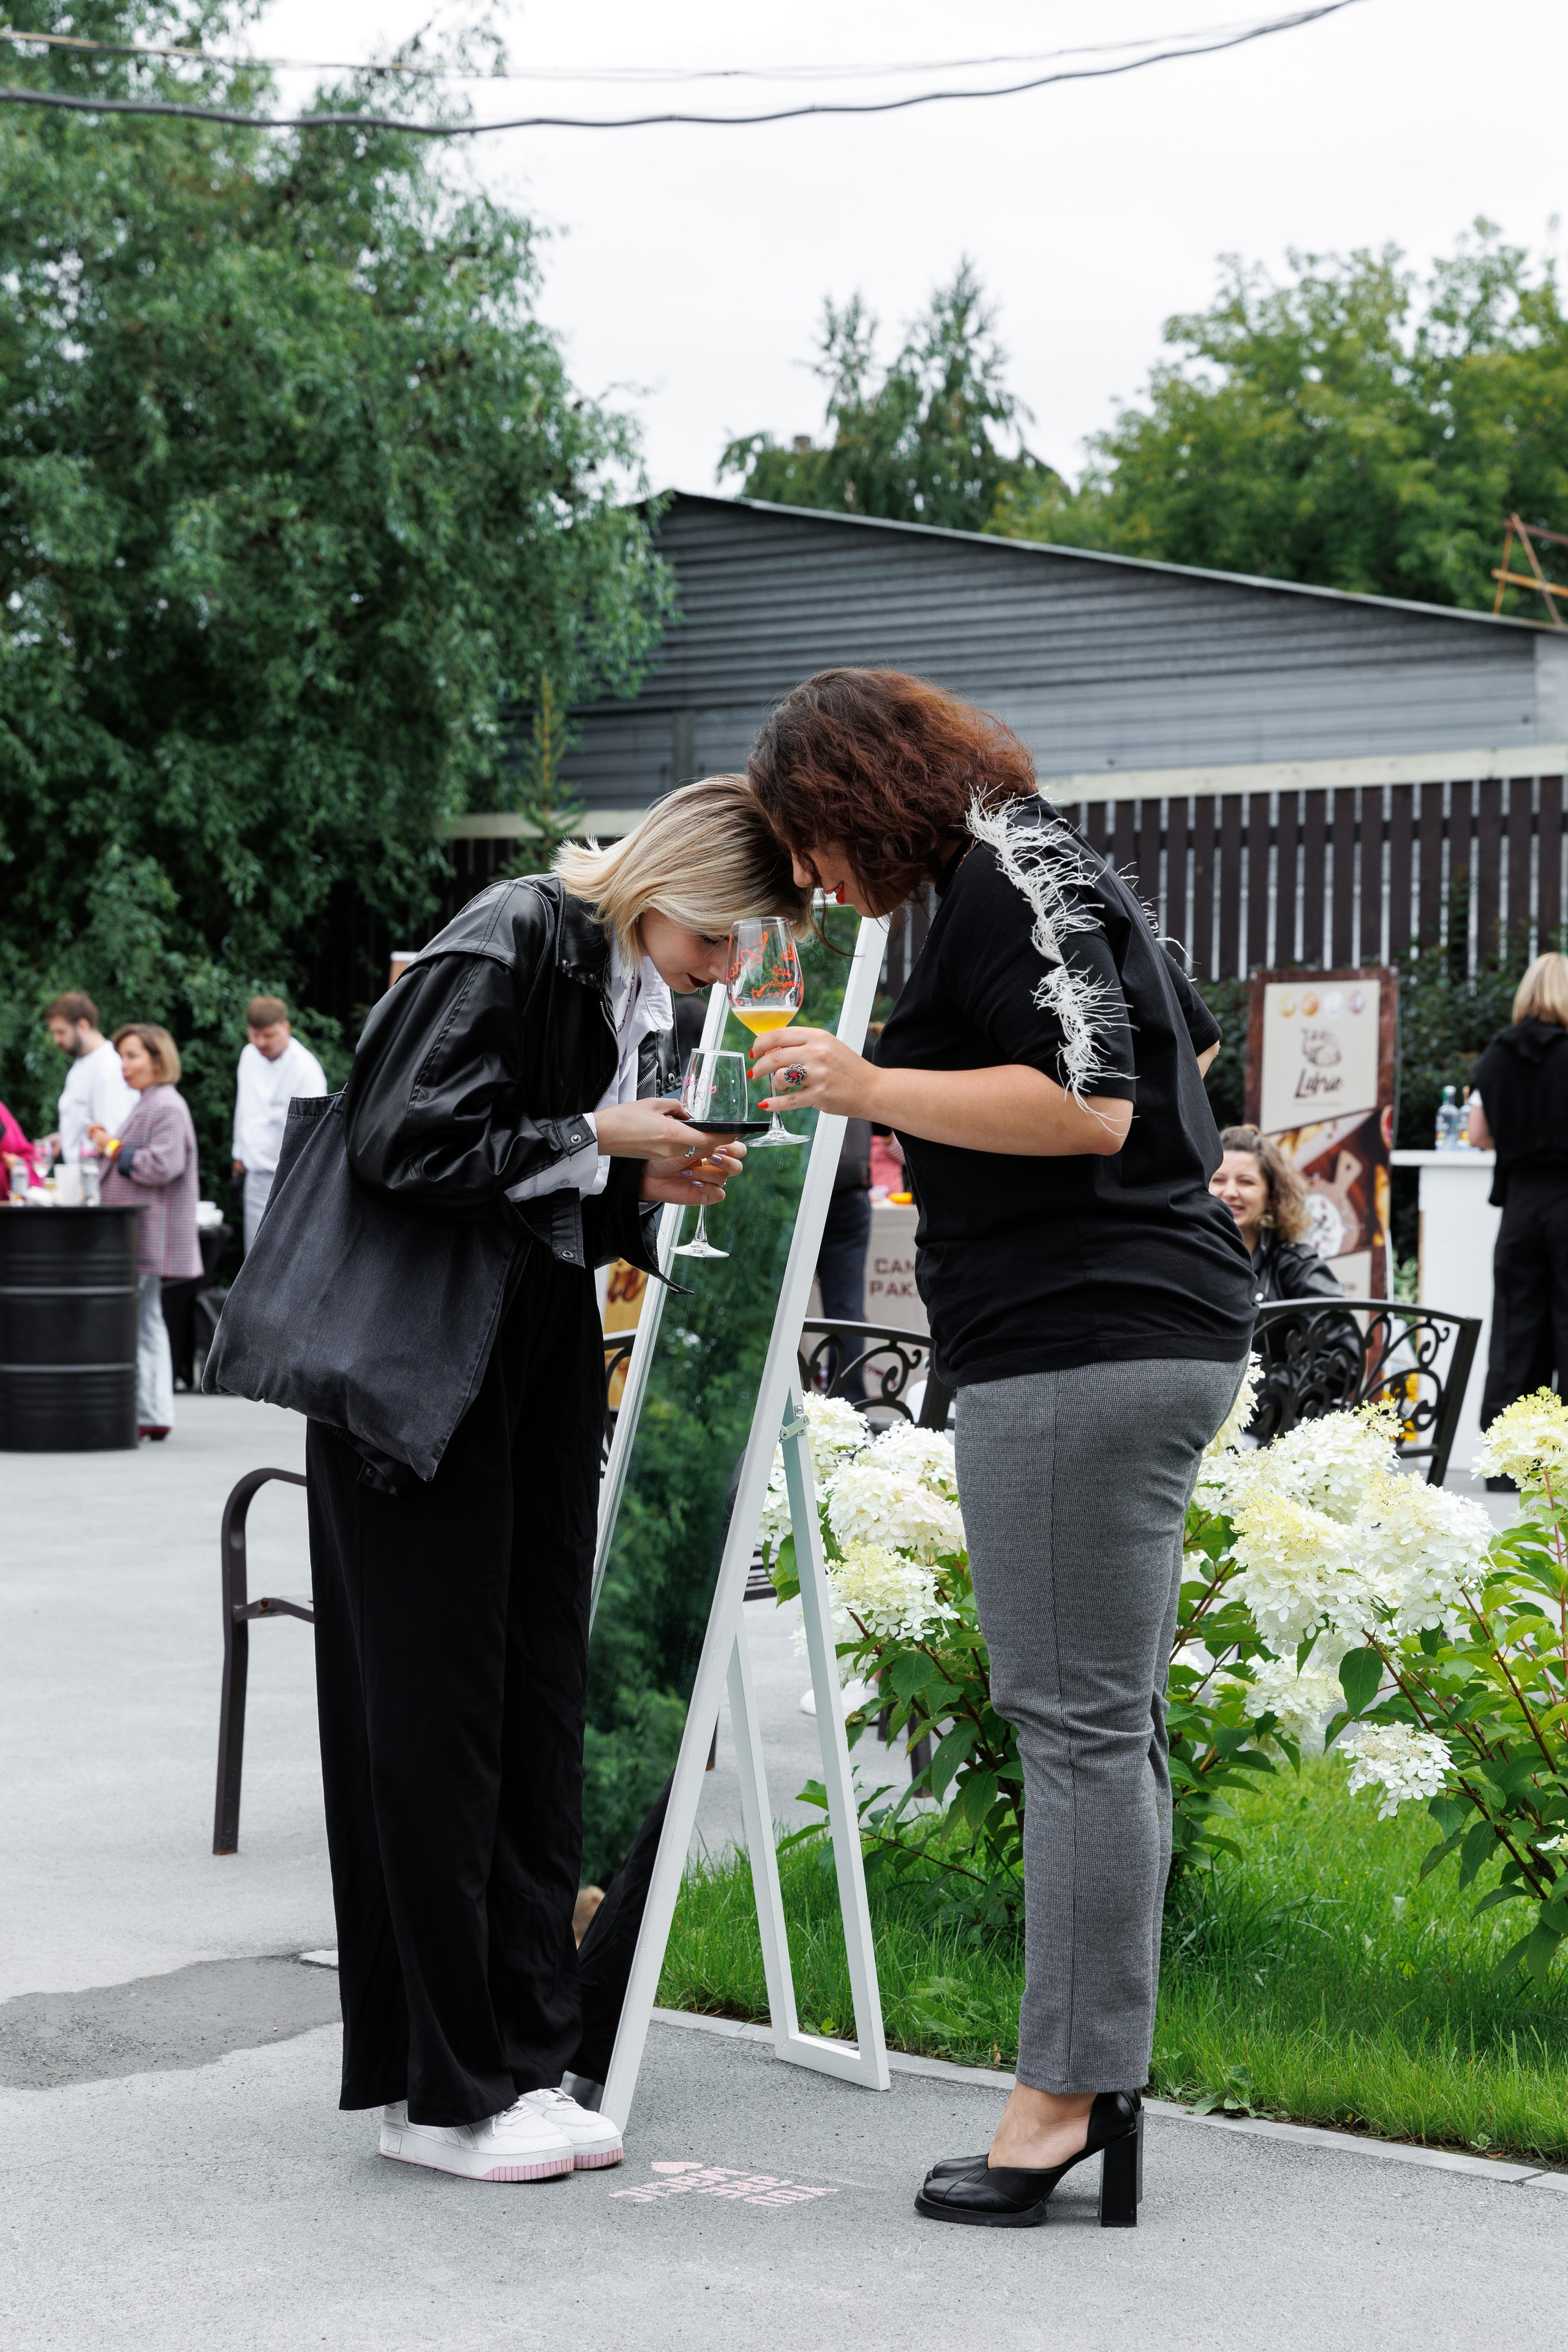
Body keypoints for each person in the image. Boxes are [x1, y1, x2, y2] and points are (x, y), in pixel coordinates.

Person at [216, 776, 809, 2187]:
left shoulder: (613, 973)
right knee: (438, 1725)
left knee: (531, 1696)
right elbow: (399, 1145)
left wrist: (635, 1188)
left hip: (525, 1356)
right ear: (667, 885)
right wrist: (599, 1142)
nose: (722, 973)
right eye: (718, 942)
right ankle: (442, 2088)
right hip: (422, 1379)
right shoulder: (516, 931)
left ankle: (513, 2058)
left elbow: (516, 1179)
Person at [745, 668, 1254, 2229]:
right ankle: (1091, 2074)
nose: (811, 882)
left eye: (805, 844)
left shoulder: (997, 877)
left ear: (851, 791)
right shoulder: (1028, 866)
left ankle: (1063, 2097)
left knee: (1073, 1723)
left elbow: (1089, 1107)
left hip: (1078, 1343)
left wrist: (864, 1083)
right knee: (1106, 1720)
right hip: (1122, 1333)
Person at [1468, 952, 1568, 1450]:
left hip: (1522, 1203)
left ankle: (1514, 1456)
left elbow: (1478, 1133)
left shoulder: (1500, 1052)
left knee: (1517, 1325)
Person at [87, 1025, 202, 1441]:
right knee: (146, 1319)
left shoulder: (166, 1105)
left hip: (149, 1230)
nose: (125, 1065)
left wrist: (111, 1148)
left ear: (158, 1060)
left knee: (141, 1320)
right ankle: (152, 1411)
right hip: (143, 1231)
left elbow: (163, 1165)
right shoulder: (152, 1103)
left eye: (133, 1056)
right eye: (122, 1056)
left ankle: (150, 1410)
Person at [1209, 1125, 1349, 1310]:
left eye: (1246, 1182)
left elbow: (1341, 1333)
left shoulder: (1296, 1266)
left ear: (1271, 1196)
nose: (1230, 1192)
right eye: (1218, 1180)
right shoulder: (1185, 1257)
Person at [232, 995, 328, 1250]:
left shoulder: (306, 1068)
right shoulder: (248, 1055)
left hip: (290, 1175)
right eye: (255, 1035)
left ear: (286, 1028)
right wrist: (239, 1156)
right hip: (256, 1172)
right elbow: (245, 1108)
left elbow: (315, 1131)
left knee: (285, 1250)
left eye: (268, 1035)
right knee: (253, 1251)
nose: (261, 1042)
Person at [43, 992, 134, 1164]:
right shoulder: (82, 1062)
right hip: (79, 1180)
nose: (56, 1040)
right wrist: (65, 1137)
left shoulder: (109, 1067)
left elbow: (113, 1136)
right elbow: (87, 1123)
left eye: (61, 1032)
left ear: (83, 1026)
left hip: (97, 1182)